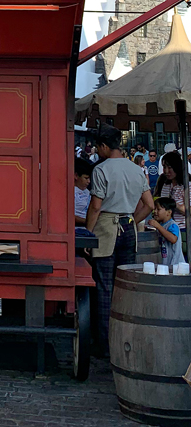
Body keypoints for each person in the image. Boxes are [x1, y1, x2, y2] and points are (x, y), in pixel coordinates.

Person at [86, 125, 154, 356]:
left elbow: (96, 207)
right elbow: (150, 205)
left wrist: (88, 233)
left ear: (104, 146)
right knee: (124, 286)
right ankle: (124, 340)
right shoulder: (136, 169)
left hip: (106, 228)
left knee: (104, 287)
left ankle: (105, 345)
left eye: (98, 146)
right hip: (128, 228)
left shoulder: (101, 169)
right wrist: (133, 221)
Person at [154, 150, 188, 232]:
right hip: (165, 227)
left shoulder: (187, 186)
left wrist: (173, 204)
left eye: (169, 168)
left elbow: (188, 211)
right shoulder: (165, 185)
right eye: (164, 167)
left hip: (182, 228)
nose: (166, 171)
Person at [148, 196, 185, 267]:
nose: (155, 211)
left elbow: (173, 239)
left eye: (158, 209)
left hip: (176, 264)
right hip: (166, 262)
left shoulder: (173, 225)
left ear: (169, 212)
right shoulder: (162, 224)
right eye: (155, 209)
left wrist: (158, 226)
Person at [75, 158, 92, 226]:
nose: (88, 181)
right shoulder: (70, 193)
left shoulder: (87, 191)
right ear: (76, 176)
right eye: (86, 178)